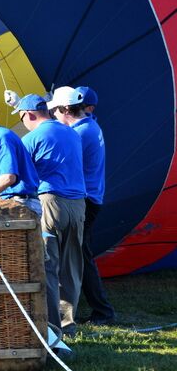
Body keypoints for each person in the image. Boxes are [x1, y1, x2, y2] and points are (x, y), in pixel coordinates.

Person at [14, 93, 87, 336]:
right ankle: (69, 324)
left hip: (50, 203)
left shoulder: (32, 138)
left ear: (29, 115)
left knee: (49, 265)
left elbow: (20, 176)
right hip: (78, 204)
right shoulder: (72, 133)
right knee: (72, 266)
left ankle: (53, 328)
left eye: (22, 116)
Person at [60, 86, 116, 325]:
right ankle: (98, 309)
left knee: (81, 255)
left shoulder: (80, 133)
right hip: (92, 197)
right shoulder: (89, 124)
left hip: (86, 200)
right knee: (80, 254)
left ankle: (103, 312)